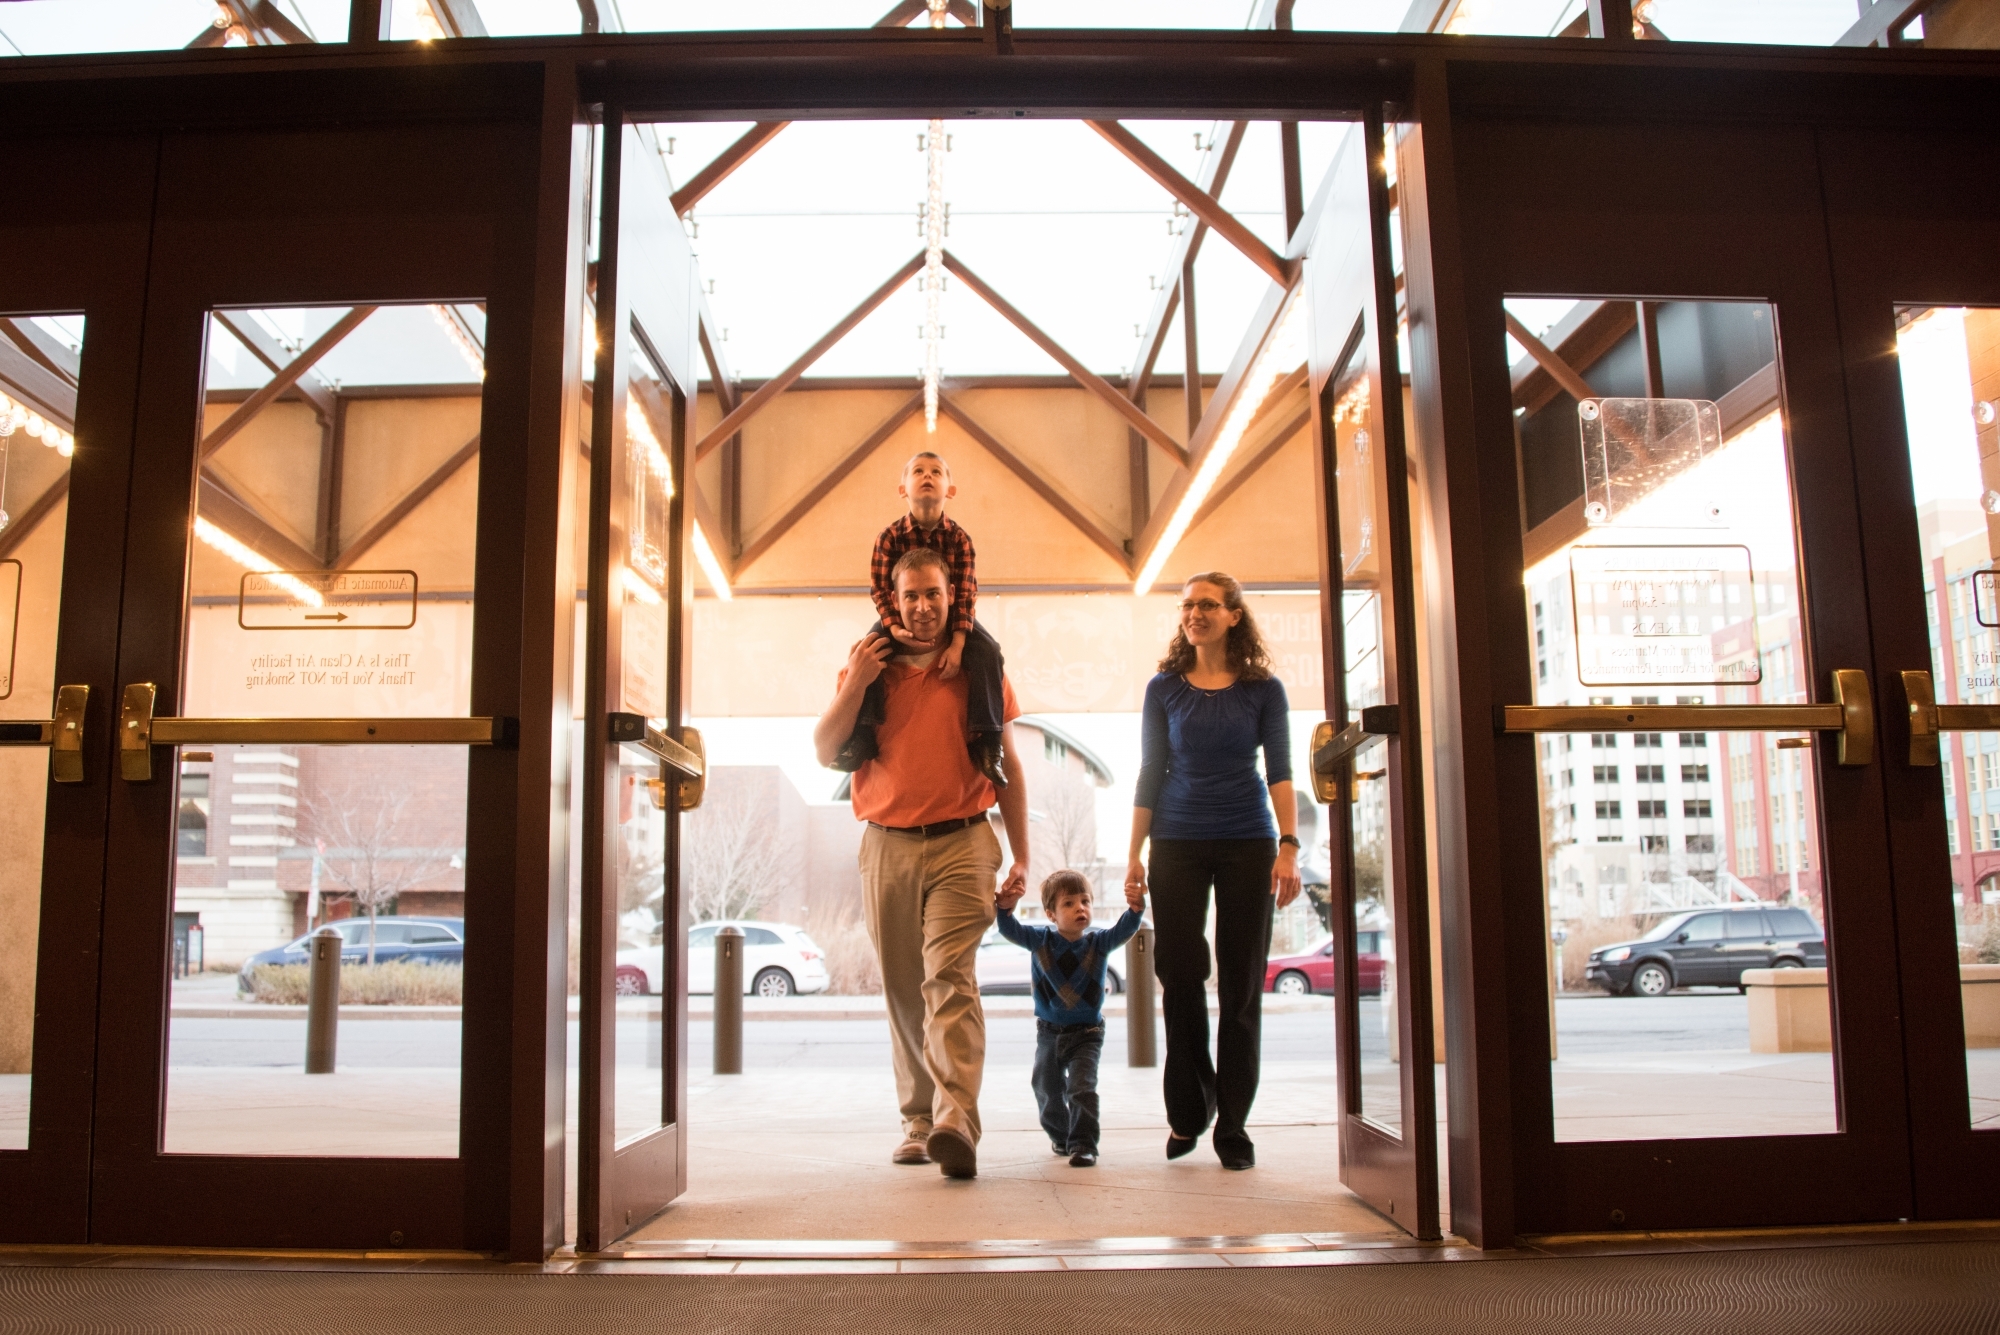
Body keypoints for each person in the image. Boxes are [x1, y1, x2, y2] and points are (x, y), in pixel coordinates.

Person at [814, 545, 1030, 1180]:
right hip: (887, 842)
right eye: (911, 595)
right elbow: (827, 749)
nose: (923, 606)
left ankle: (955, 1118)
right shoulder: (867, 666)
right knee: (906, 989)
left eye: (933, 594)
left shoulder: (979, 666)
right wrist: (855, 681)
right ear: (895, 600)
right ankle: (917, 1120)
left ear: (951, 595)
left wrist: (1022, 855)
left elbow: (1009, 766)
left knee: (950, 977)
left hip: (965, 841)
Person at [1124, 571, 1302, 1171]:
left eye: (1206, 604)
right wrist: (1133, 854)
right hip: (1174, 840)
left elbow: (1279, 770)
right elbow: (1151, 771)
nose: (1194, 612)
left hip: (1248, 841)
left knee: (1241, 985)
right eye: (1187, 605)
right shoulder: (1164, 689)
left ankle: (1232, 1123)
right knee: (1179, 977)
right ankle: (1189, 1110)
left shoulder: (1263, 690)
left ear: (1232, 615)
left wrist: (1289, 844)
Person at [831, 451, 1009, 787]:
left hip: (952, 617)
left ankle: (988, 740)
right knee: (869, 652)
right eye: (918, 471)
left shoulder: (959, 539)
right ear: (903, 488)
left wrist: (957, 643)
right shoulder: (889, 537)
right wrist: (894, 626)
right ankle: (864, 735)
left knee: (989, 652)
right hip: (898, 617)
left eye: (936, 472)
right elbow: (881, 590)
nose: (927, 475)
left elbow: (966, 595)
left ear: (949, 490)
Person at [995, 869, 1144, 1168]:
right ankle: (1062, 1136)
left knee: (1081, 1089)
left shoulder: (1098, 943)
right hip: (1049, 1033)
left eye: (1085, 901)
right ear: (1051, 913)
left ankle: (1083, 1145)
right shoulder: (1040, 941)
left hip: (1087, 1033)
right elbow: (1010, 929)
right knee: (1046, 1088)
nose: (1080, 908)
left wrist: (1136, 909)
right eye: (1069, 903)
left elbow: (1122, 931)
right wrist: (1004, 908)